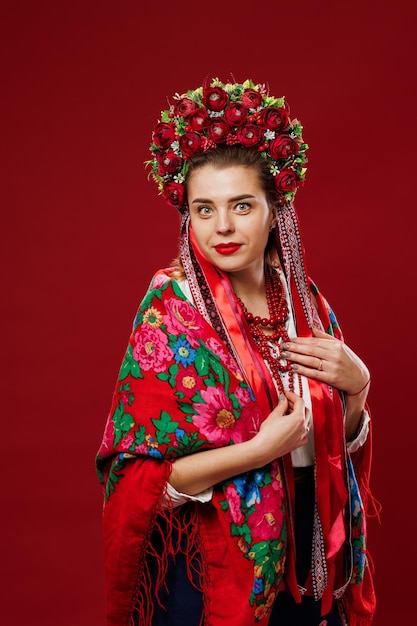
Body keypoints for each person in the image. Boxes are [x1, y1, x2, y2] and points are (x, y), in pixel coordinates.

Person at [96, 77, 376, 626]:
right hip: (213, 561)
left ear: (277, 208)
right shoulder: (172, 309)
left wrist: (359, 387)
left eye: (241, 206)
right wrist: (256, 452)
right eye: (204, 209)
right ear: (188, 217)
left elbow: (330, 444)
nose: (222, 227)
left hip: (313, 546)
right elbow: (140, 481)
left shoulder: (303, 298)